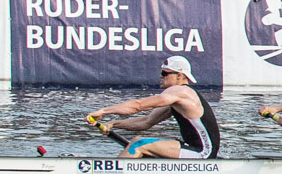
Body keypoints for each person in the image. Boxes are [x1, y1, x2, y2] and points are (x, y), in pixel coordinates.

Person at [87, 55, 224, 159]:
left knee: (139, 143)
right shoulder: (177, 100)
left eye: (165, 73)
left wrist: (104, 111)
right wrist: (114, 123)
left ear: (179, 76)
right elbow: (146, 122)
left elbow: (137, 106)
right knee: (141, 142)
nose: (160, 76)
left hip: (203, 153)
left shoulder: (181, 92)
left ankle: (112, 173)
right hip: (194, 149)